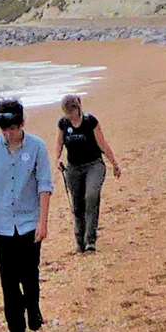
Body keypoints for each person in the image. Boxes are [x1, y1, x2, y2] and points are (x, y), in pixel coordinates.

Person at [0, 99, 53, 332]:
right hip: (2, 222)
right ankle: (15, 328)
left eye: (12, 128)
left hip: (29, 220)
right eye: (4, 129)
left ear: (21, 124)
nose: (8, 133)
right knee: (8, 277)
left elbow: (44, 186)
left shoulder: (37, 147)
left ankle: (33, 307)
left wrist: (43, 222)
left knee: (29, 274)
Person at [53, 94, 122, 253]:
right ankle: (79, 240)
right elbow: (59, 143)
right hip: (73, 168)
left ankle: (90, 239)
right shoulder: (63, 124)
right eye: (67, 112)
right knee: (77, 204)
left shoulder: (90, 121)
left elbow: (102, 144)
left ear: (78, 108)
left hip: (94, 165)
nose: (70, 115)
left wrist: (114, 164)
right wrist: (57, 159)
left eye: (72, 111)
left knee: (91, 197)